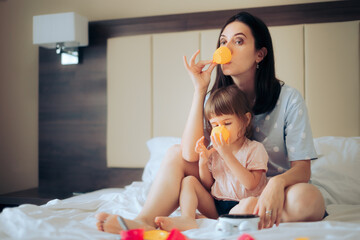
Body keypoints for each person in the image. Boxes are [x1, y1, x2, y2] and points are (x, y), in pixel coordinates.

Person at [96, 11, 326, 233]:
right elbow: (188, 155)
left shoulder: (288, 99)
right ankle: (144, 221)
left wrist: (276, 185)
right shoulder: (213, 98)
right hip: (223, 191)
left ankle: (246, 213)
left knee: (309, 199)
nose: (225, 49)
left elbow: (302, 170)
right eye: (223, 41)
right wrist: (200, 89)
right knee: (175, 153)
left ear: (260, 54)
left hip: (269, 191)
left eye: (238, 41)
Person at [154, 85, 269, 231]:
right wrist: (203, 161)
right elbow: (208, 185)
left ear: (245, 120)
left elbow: (251, 184)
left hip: (242, 204)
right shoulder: (214, 151)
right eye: (215, 124)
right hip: (216, 205)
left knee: (252, 203)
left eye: (227, 123)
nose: (221, 128)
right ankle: (187, 218)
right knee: (189, 181)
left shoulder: (254, 149)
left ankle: (225, 220)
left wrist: (227, 154)